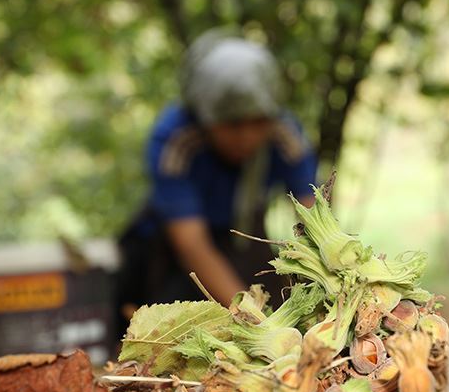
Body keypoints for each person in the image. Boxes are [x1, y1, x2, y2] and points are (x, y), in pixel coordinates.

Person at [116, 30, 318, 324]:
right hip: (174, 250)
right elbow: (192, 245)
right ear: (205, 117)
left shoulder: (286, 136)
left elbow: (315, 217)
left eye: (258, 122)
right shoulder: (175, 141)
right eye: (232, 124)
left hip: (242, 232)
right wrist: (256, 322)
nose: (246, 137)